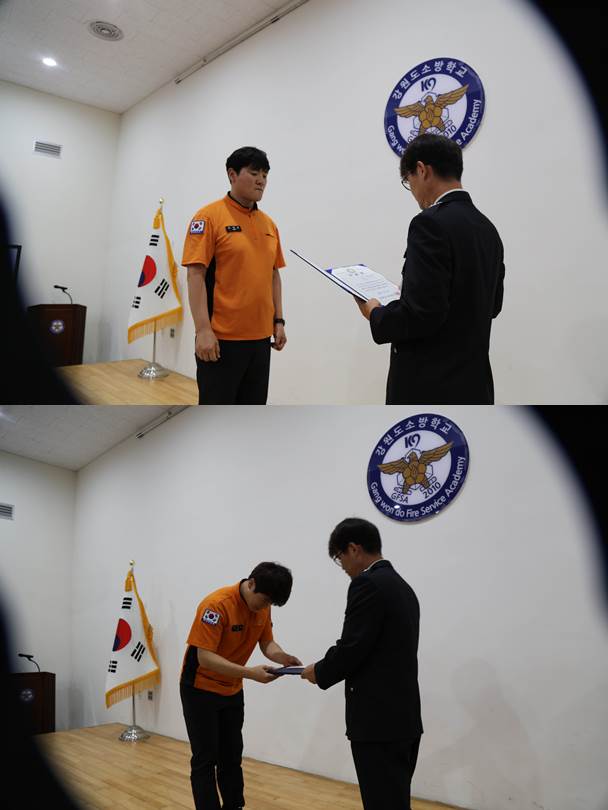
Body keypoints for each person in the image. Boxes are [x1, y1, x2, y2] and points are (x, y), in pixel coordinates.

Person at [355, 133, 505, 404]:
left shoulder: (429, 223)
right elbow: (492, 305)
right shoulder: (487, 228)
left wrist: (375, 312)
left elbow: (421, 315)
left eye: (408, 180)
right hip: (474, 385)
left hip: (430, 385)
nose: (412, 190)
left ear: (422, 170)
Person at [301, 518, 422, 810]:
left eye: (339, 557)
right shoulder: (403, 587)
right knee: (395, 801)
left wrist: (319, 671)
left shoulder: (367, 584)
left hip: (377, 722)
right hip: (404, 719)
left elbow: (352, 647)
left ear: (353, 549)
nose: (342, 566)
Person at [180, 562, 300, 810]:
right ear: (251, 583)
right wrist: (249, 673)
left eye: (270, 604)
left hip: (232, 689)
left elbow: (267, 643)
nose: (265, 607)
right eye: (264, 601)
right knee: (205, 758)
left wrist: (283, 657)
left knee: (232, 755)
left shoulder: (263, 606)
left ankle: (234, 806)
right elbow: (205, 658)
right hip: (199, 689)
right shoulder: (216, 605)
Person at [181, 146, 287, 405]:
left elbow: (273, 275)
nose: (261, 180)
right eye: (254, 173)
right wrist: (203, 330)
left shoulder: (269, 225)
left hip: (261, 342)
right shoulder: (208, 217)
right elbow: (195, 275)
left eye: (265, 175)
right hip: (221, 341)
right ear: (232, 175)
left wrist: (279, 320)